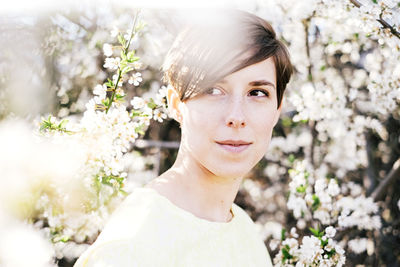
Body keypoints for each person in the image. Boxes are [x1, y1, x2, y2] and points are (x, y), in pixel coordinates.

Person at [74, 8, 292, 267]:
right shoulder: (133, 243)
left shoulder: (243, 228)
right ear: (176, 103)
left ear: (278, 108)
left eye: (257, 93)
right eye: (213, 90)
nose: (237, 116)